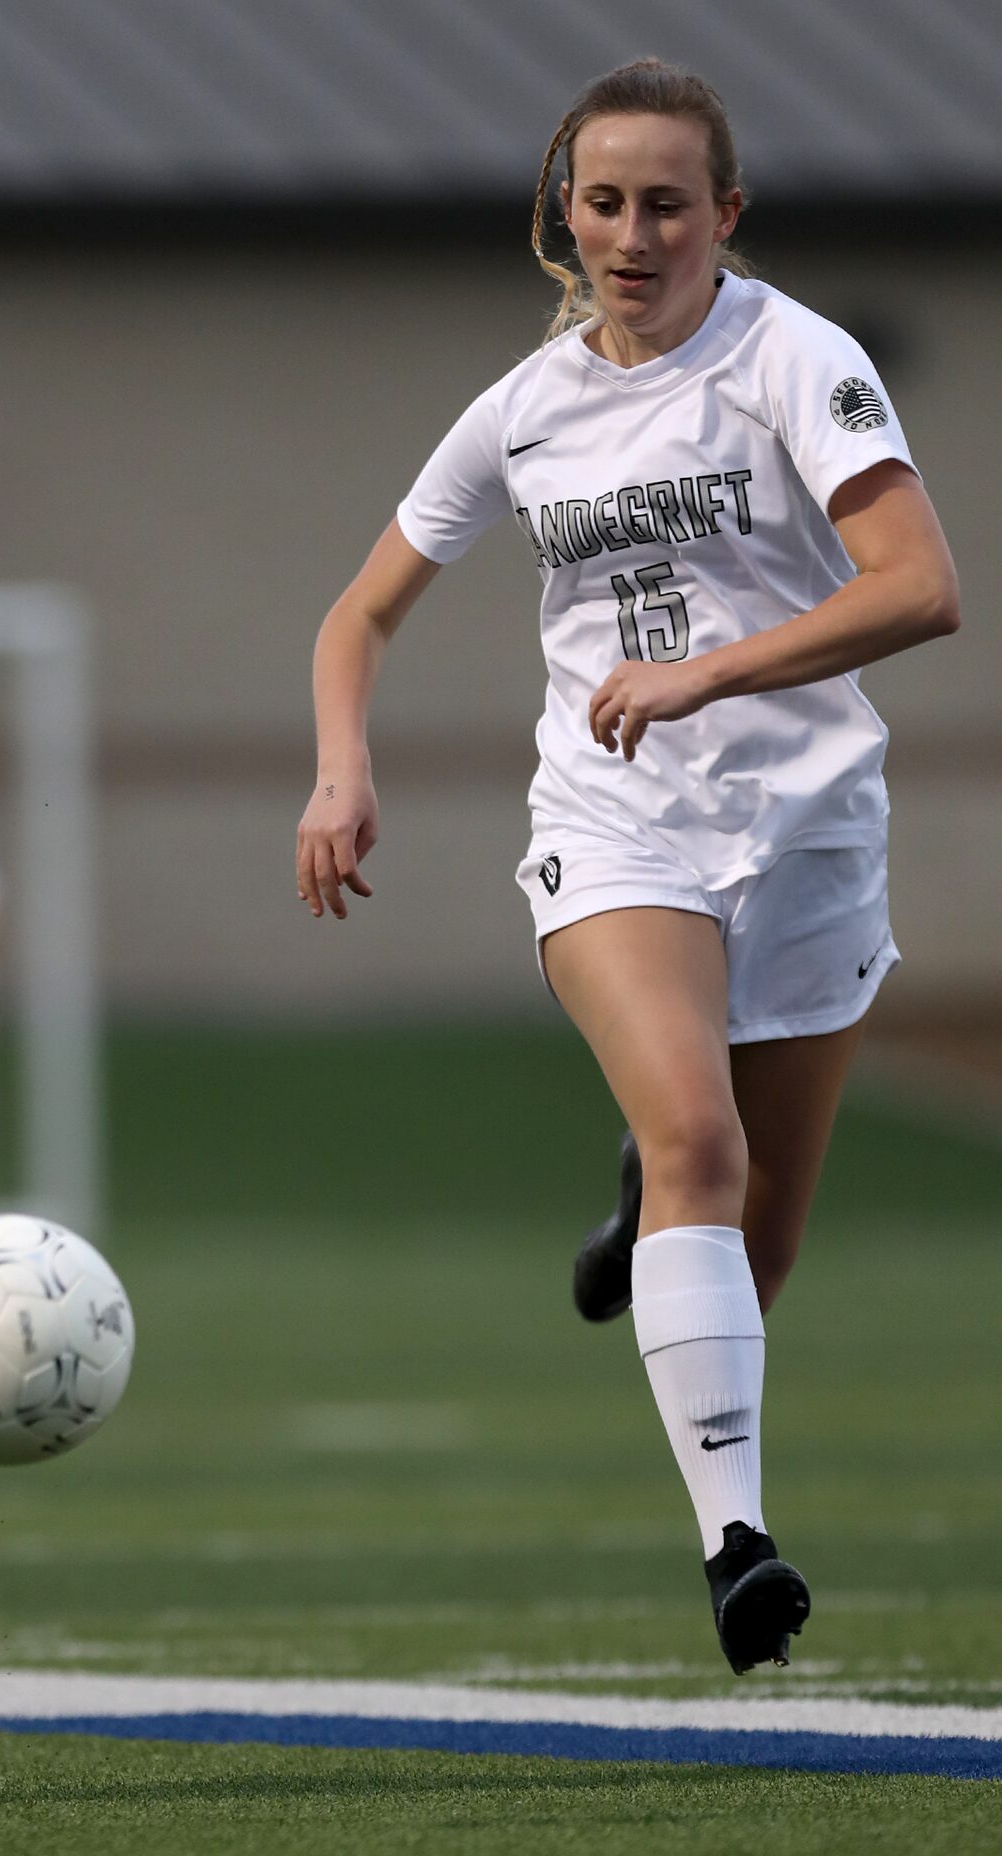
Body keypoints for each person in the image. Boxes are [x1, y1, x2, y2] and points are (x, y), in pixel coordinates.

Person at [296, 60, 958, 1675]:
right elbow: (359, 608)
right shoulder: (527, 406)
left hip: (807, 824)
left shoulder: (796, 361)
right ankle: (736, 1542)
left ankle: (654, 1203)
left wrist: (710, 670)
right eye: (603, 202)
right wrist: (340, 762)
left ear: (726, 214)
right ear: (564, 213)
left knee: (760, 1236)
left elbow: (922, 585)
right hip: (617, 825)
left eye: (669, 203)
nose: (633, 232)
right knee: (696, 1141)